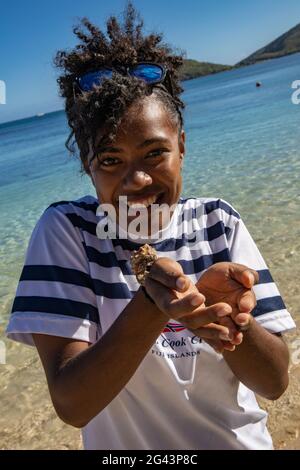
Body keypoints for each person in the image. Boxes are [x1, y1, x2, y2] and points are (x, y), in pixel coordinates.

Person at [6, 3, 295, 450]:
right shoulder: (69, 232)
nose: (136, 180)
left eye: (154, 153)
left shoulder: (218, 221)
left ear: (181, 145)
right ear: (88, 165)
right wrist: (153, 305)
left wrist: (236, 321)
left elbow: (275, 382)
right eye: (110, 160)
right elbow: (72, 404)